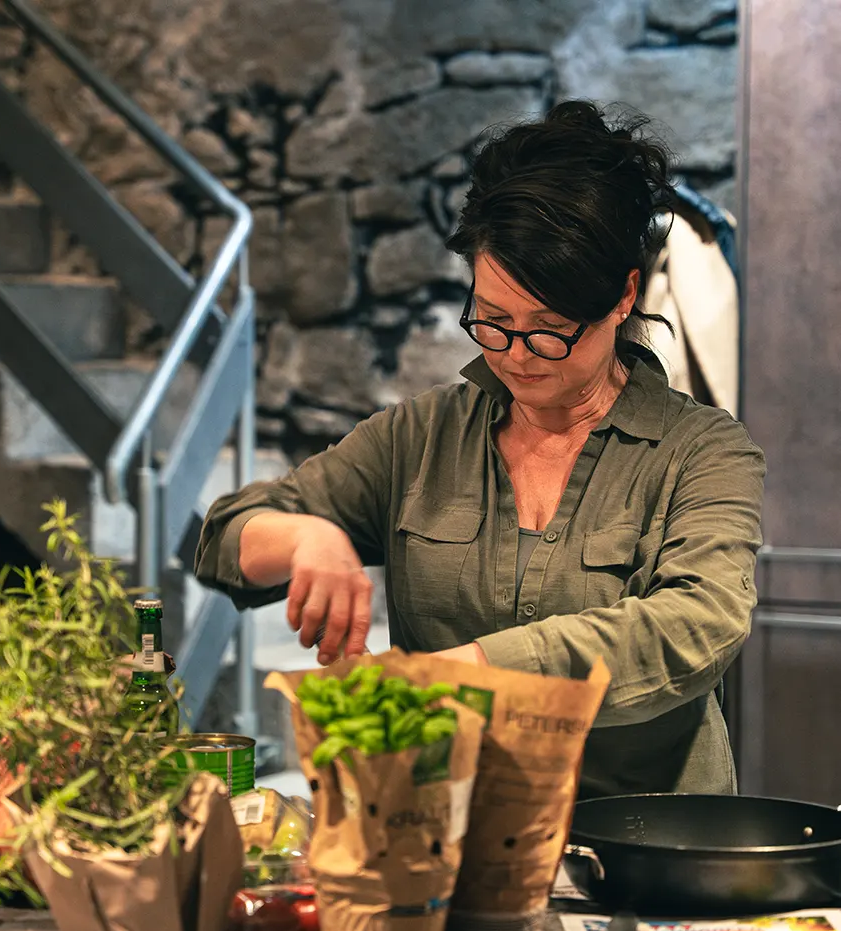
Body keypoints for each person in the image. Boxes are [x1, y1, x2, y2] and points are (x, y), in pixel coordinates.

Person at [195, 100, 765, 799]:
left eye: (550, 329)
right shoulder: (421, 437)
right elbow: (223, 537)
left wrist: (468, 672)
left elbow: (695, 626)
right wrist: (303, 536)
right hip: (440, 833)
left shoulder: (703, 453)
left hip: (641, 843)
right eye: (493, 320)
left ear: (624, 297)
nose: (517, 355)